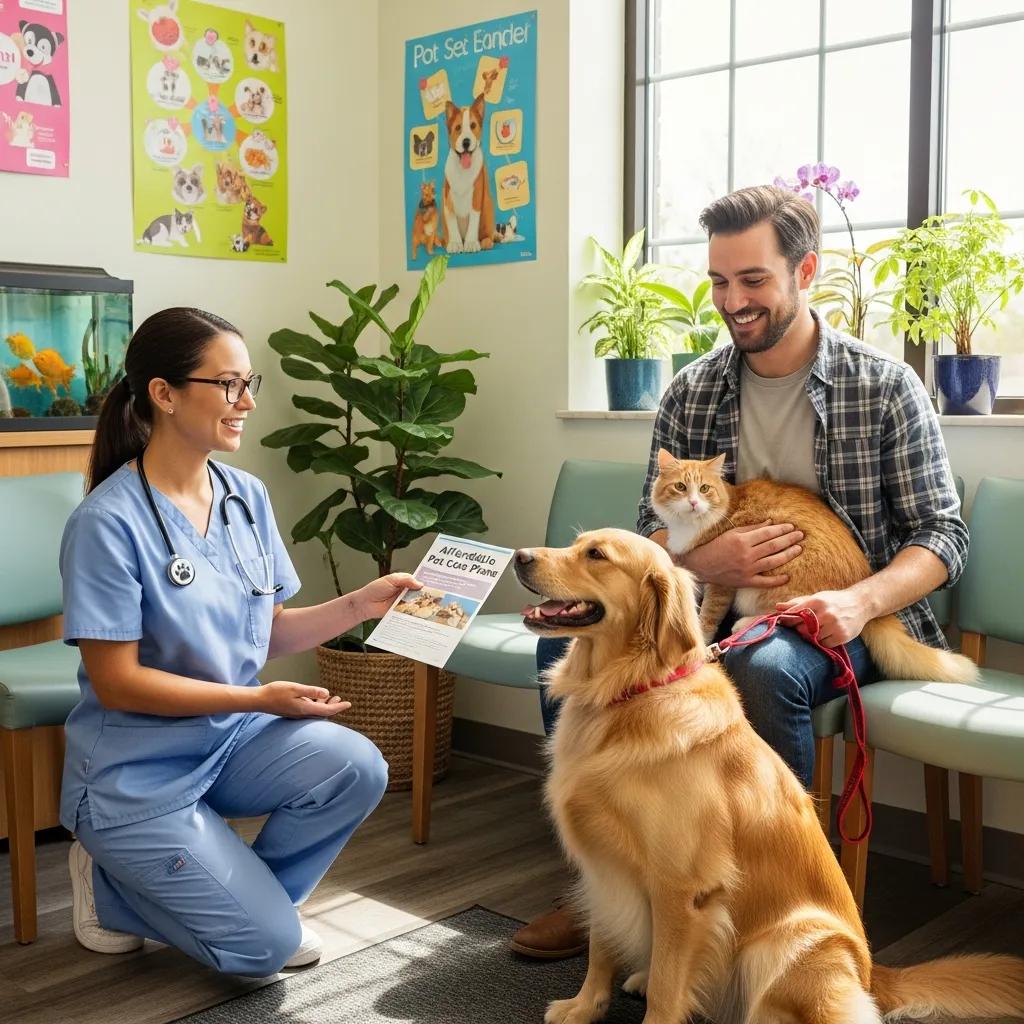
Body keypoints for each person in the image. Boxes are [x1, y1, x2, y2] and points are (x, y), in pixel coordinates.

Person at [510, 185, 968, 959]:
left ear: (806, 271)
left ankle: (761, 899)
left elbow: (944, 534)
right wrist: (697, 558)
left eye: (753, 280)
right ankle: (607, 888)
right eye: (720, 282)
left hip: (844, 620)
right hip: (707, 605)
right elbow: (648, 537)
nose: (733, 301)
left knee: (765, 668)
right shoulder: (694, 388)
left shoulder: (886, 386)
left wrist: (857, 602)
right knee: (564, 647)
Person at [60, 307, 421, 977]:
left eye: (247, 382)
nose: (246, 401)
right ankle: (110, 878)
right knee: (262, 953)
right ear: (164, 395)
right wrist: (258, 698)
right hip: (137, 773)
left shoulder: (244, 496)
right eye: (228, 384)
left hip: (226, 741)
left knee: (356, 765)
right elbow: (117, 683)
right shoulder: (106, 523)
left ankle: (248, 903)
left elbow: (270, 629)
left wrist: (361, 604)